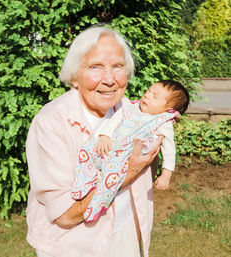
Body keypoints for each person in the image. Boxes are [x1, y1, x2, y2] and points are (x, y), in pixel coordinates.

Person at [26, 25, 169, 257]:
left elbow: (147, 169)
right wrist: (128, 172)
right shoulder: (52, 122)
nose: (110, 79)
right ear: (74, 77)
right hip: (73, 245)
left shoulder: (133, 114)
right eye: (96, 67)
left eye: (118, 67)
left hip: (127, 235)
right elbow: (64, 215)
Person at [72, 80, 189, 222]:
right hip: (110, 146)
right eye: (149, 91)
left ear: (168, 110)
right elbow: (116, 119)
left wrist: (166, 175)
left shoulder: (163, 122)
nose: (147, 95)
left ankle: (98, 205)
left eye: (155, 96)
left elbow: (169, 151)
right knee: (86, 150)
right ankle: (84, 182)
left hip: (124, 158)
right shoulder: (131, 107)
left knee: (111, 178)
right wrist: (105, 136)